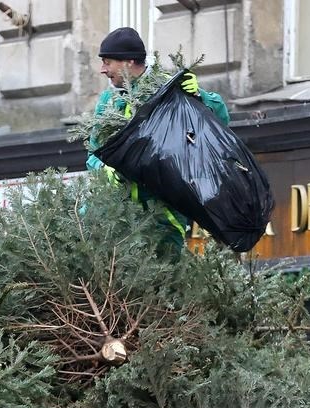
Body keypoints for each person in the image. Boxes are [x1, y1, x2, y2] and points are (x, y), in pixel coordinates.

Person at [87, 26, 231, 249]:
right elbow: (93, 151)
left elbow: (219, 122)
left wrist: (198, 96)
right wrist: (102, 168)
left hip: (162, 216)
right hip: (117, 216)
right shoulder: (107, 101)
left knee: (164, 277)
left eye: (107, 62)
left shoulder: (167, 87)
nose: (102, 70)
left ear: (127, 62)